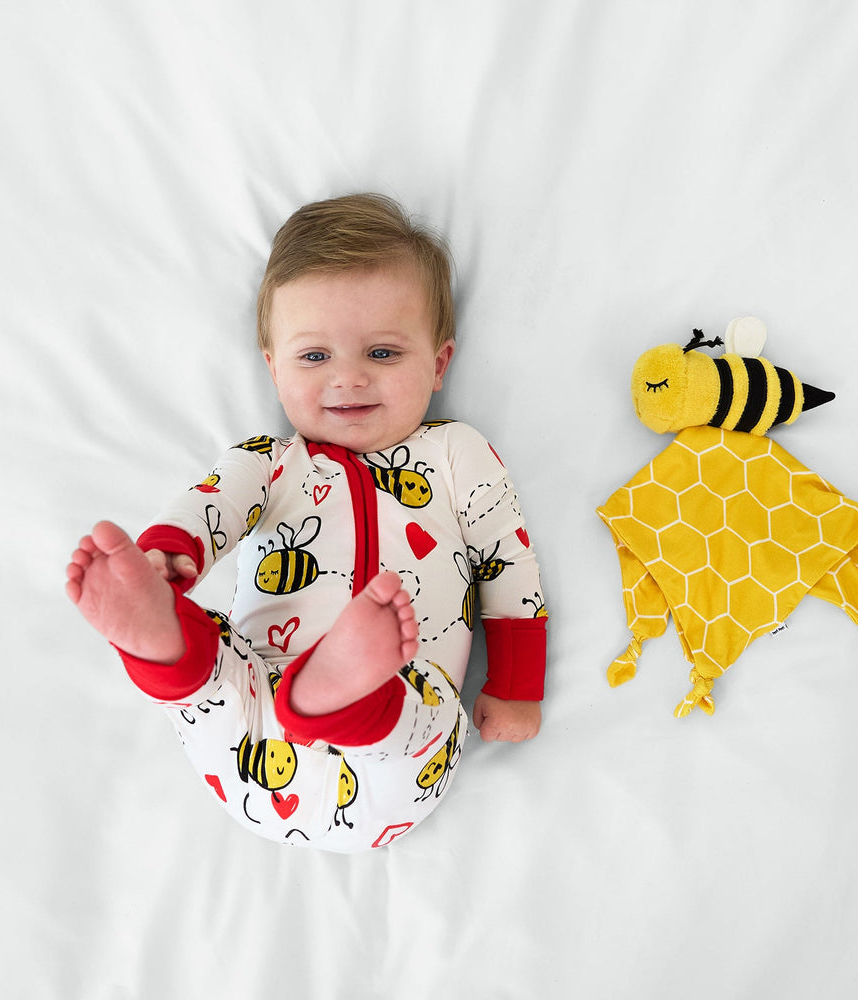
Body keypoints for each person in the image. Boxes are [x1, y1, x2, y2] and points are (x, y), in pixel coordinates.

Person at [65, 193, 547, 852]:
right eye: (315, 357)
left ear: (438, 364)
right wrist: (167, 557)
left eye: (382, 353)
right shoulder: (269, 463)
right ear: (273, 365)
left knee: (429, 709)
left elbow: (506, 560)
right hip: (258, 725)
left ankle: (349, 696)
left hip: (395, 755)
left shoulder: (454, 454)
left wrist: (516, 683)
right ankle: (166, 639)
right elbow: (215, 504)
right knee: (213, 678)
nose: (348, 379)